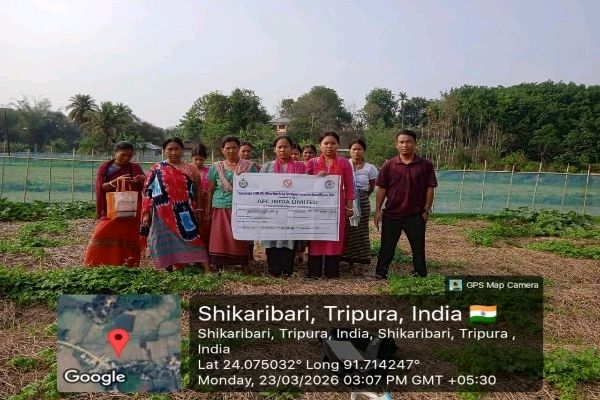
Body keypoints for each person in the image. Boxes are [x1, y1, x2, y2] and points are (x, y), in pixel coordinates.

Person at [373, 129, 437, 279]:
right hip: (392, 214)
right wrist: (377, 210)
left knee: (418, 247)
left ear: (415, 144)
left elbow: (430, 188)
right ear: (396, 145)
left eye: (409, 142)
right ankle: (381, 273)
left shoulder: (425, 165)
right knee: (387, 246)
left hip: (415, 214)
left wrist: (426, 210)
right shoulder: (389, 165)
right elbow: (381, 189)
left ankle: (420, 273)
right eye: (401, 142)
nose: (405, 145)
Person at [141, 138, 209, 272]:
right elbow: (147, 191)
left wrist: (200, 209)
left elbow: (198, 191)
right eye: (170, 149)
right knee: (165, 241)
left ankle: (207, 269)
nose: (173, 152)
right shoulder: (157, 168)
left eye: (177, 149)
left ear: (182, 150)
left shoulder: (191, 168)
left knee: (194, 239)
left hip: (186, 212)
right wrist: (146, 213)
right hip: (162, 212)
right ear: (164, 151)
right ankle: (169, 268)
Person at [84, 141, 146, 267]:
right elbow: (102, 187)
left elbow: (146, 186)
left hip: (132, 209)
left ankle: (128, 263)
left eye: (129, 156)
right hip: (112, 207)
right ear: (115, 153)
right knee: (102, 232)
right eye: (123, 155)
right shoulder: (106, 167)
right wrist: (116, 182)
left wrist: (143, 180)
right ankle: (98, 262)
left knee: (129, 236)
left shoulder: (135, 167)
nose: (126, 158)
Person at [306, 131, 356, 278]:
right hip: (315, 207)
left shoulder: (344, 163)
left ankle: (331, 272)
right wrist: (316, 179)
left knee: (334, 236)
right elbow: (303, 184)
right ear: (320, 145)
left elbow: (350, 186)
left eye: (333, 143)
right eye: (326, 143)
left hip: (337, 207)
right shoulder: (312, 163)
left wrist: (349, 206)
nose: (329, 146)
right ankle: (314, 272)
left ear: (338, 145)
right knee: (316, 236)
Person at [207, 136, 258, 273]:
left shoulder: (249, 167)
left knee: (239, 237)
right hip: (220, 206)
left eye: (234, 147)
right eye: (227, 148)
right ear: (222, 150)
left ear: (238, 148)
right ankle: (219, 264)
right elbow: (210, 190)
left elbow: (255, 188)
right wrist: (207, 211)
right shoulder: (216, 167)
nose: (231, 150)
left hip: (240, 208)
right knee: (220, 237)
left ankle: (243, 263)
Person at [260, 136, 306, 276]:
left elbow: (307, 186)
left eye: (286, 146)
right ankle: (273, 269)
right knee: (272, 238)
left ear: (291, 148)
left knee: (289, 238)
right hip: (271, 211)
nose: (282, 149)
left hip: (292, 210)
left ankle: (287, 270)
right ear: (275, 149)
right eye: (279, 147)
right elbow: (259, 186)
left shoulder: (300, 166)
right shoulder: (267, 166)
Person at [342, 139, 378, 266]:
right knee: (346, 228)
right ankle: (344, 256)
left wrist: (361, 197)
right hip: (346, 201)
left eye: (359, 149)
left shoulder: (370, 168)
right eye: (354, 149)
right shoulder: (344, 164)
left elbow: (372, 187)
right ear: (350, 151)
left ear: (364, 151)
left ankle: (361, 257)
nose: (356, 152)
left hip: (363, 202)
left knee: (360, 229)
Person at [239, 140, 260, 261]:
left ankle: (250, 256)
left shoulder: (253, 167)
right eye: (243, 151)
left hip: (249, 202)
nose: (246, 153)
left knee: (249, 229)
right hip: (233, 203)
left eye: (248, 151)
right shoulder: (231, 165)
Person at [191, 144, 211, 251]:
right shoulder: (187, 171)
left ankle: (205, 254)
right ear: (192, 158)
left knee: (204, 228)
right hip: (190, 204)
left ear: (205, 159)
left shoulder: (209, 172)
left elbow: (213, 188)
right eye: (196, 159)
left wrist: (206, 193)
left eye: (201, 159)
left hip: (205, 205)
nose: (198, 162)